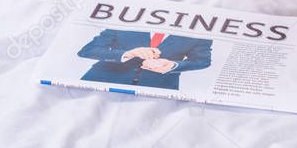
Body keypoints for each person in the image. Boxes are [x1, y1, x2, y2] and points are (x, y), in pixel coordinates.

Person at [77, 29, 212, 90]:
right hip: (102, 80)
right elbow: (87, 51)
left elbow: (202, 61)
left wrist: (172, 65)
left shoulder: (200, 32)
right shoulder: (124, 21)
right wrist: (128, 53)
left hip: (158, 87)